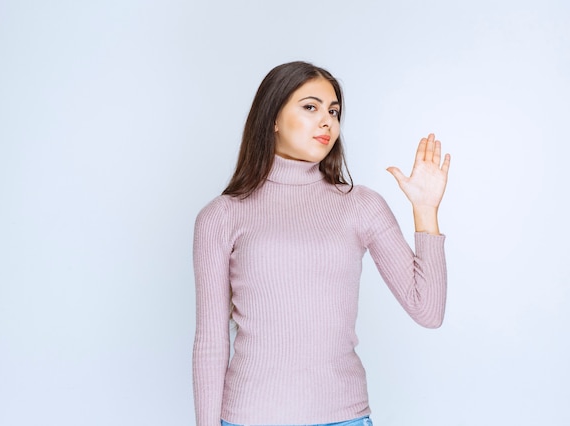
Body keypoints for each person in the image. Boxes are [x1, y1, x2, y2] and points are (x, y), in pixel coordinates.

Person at [192, 61, 450, 426]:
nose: (327, 121)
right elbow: (211, 343)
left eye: (334, 111)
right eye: (310, 107)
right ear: (273, 118)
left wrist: (425, 210)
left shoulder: (360, 205)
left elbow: (428, 311)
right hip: (250, 418)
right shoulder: (221, 216)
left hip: (344, 418)